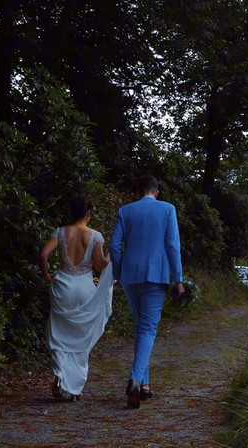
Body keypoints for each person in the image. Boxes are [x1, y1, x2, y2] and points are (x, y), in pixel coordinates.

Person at [110, 175, 184, 409]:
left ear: (138, 192)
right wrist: (179, 279)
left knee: (140, 327)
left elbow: (114, 247)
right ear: (157, 192)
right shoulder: (167, 210)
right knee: (148, 329)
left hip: (130, 276)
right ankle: (134, 380)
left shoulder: (125, 211)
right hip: (156, 275)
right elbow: (172, 246)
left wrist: (119, 272)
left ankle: (144, 385)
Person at [39, 194, 113, 401]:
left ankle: (60, 377)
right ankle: (73, 387)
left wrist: (46, 275)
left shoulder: (61, 232)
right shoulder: (95, 236)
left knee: (59, 334)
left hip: (62, 285)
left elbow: (44, 254)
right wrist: (110, 257)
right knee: (80, 337)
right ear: (88, 213)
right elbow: (99, 266)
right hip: (84, 288)